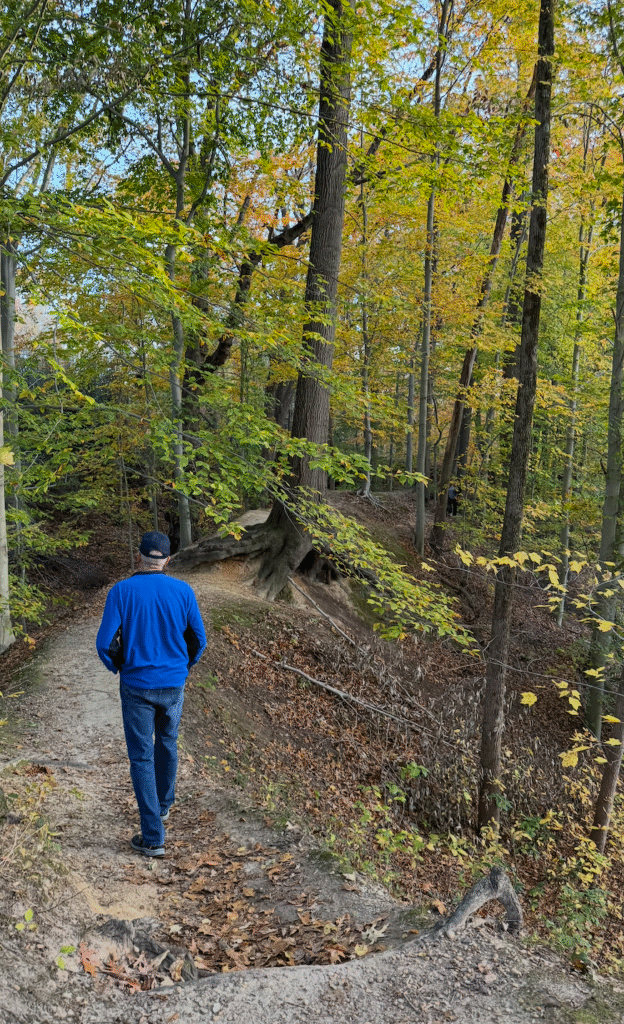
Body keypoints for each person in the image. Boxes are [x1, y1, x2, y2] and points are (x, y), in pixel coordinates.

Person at [96, 531, 206, 857]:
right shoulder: (183, 591)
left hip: (136, 686)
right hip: (173, 684)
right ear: (168, 560)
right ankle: (164, 805)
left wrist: (120, 667)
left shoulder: (121, 592)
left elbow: (104, 643)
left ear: (138, 556)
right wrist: (183, 667)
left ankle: (153, 836)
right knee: (168, 743)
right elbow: (198, 639)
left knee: (142, 757)